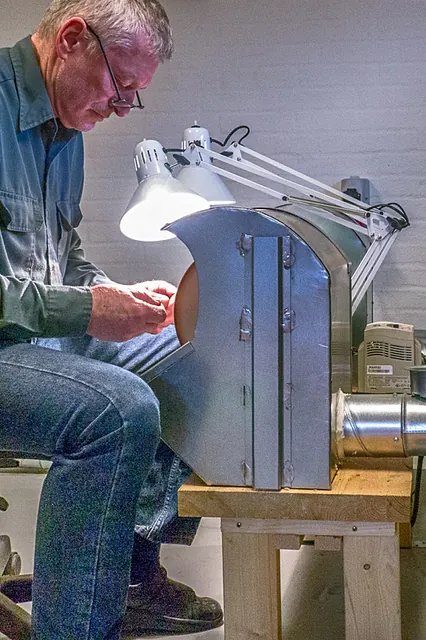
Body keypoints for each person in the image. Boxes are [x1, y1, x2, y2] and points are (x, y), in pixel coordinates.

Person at [0, 1, 223, 638]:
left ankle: (129, 572)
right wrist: (88, 310)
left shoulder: (65, 130)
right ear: (72, 39)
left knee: (195, 354)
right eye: (120, 85)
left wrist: (115, 296)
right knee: (118, 411)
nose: (124, 107)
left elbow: (61, 258)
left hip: (39, 338)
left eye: (134, 94)